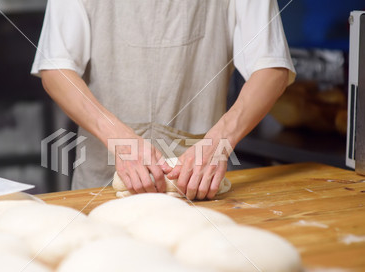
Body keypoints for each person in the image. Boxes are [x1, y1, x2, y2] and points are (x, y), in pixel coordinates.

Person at [32, 0, 296, 200]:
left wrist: (219, 142)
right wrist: (119, 138)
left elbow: (272, 69)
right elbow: (56, 69)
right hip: (101, 179)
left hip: (196, 186)